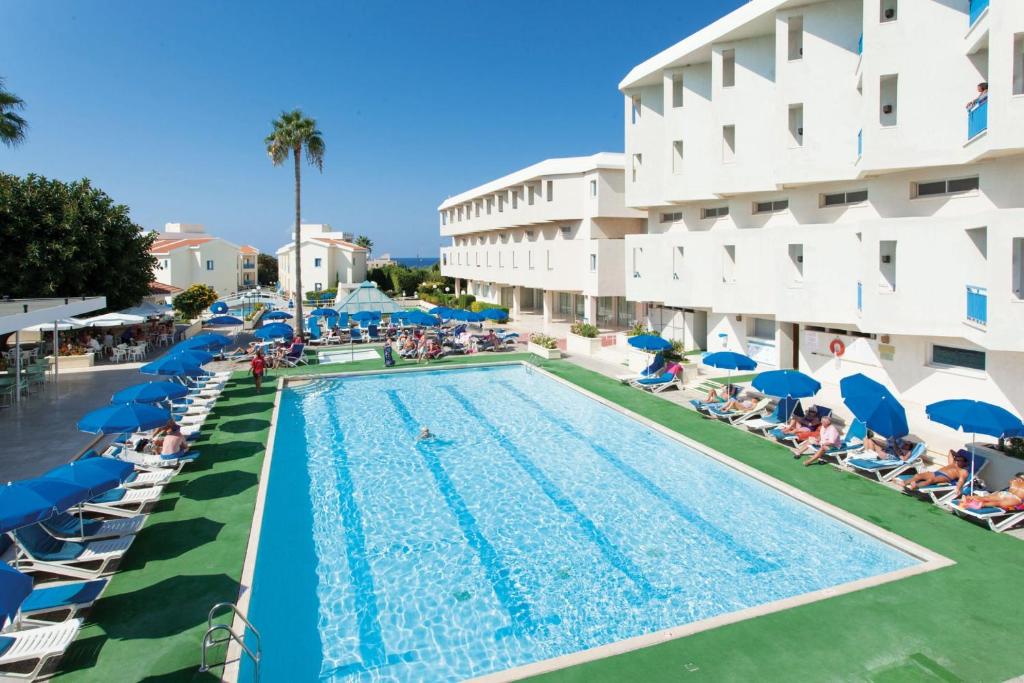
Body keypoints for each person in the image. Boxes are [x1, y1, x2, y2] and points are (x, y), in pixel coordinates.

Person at [903, 449, 970, 496]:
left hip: (945, 477)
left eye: (959, 460)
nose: (956, 461)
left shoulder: (963, 471)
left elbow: (961, 481)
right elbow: (950, 451)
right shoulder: (952, 463)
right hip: (936, 472)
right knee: (918, 476)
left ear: (965, 463)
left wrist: (958, 489)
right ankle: (904, 483)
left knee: (930, 480)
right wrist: (957, 455)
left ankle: (916, 486)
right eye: (956, 459)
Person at [958, 473, 1024, 510]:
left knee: (986, 498)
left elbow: (1011, 484)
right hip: (1015, 499)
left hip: (1005, 493)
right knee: (999, 503)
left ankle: (968, 498)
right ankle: (979, 505)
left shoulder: (1012, 481)